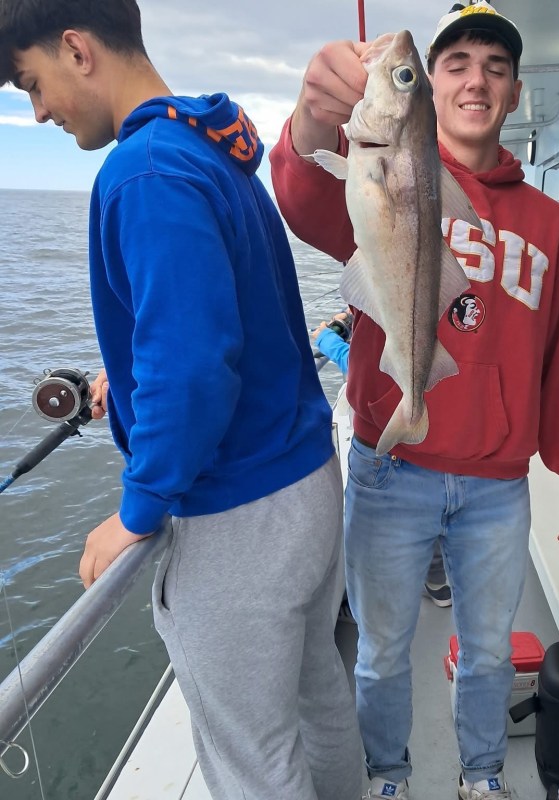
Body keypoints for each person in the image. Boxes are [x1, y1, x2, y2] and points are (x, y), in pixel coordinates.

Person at [0, 2, 362, 798]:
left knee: (254, 760)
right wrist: (124, 376)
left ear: (75, 49)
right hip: (306, 485)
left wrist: (137, 507)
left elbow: (195, 370)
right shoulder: (207, 148)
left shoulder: (145, 171)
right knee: (321, 703)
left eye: (31, 84)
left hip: (237, 520)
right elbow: (231, 321)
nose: (37, 112)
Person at [270, 2, 559, 799]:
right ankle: (388, 777)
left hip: (497, 481)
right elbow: (297, 191)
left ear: (516, 93)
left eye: (494, 67)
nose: (474, 80)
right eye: (454, 64)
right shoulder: (375, 168)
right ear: (430, 90)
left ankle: (483, 778)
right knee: (383, 652)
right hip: (394, 467)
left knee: (488, 653)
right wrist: (308, 120)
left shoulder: (549, 224)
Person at [312, 311, 452, 608]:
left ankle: (381, 594)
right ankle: (437, 581)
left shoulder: (383, 348)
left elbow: (354, 363)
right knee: (434, 521)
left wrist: (325, 337)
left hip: (384, 452)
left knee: (384, 530)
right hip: (432, 453)